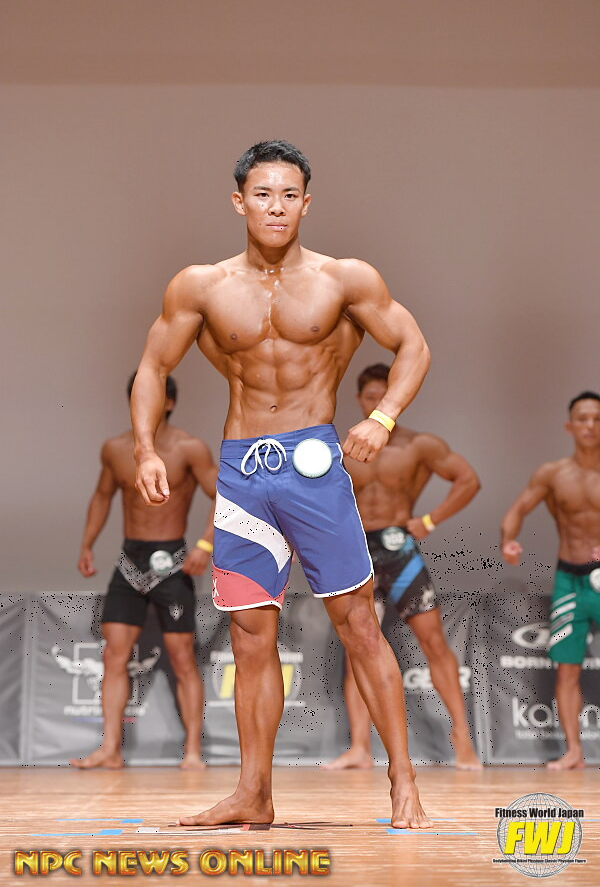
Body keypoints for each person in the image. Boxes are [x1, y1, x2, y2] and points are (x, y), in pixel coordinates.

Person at [131, 139, 432, 828]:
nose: (276, 206)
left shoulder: (344, 279)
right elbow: (152, 367)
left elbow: (413, 346)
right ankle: (254, 794)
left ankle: (403, 780)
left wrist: (382, 417)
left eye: (289, 194)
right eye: (263, 194)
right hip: (243, 473)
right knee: (248, 638)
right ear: (239, 201)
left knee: (358, 623)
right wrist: (147, 448)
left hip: (313, 467)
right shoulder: (201, 286)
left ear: (306, 202)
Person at [326, 363, 481, 771]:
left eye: (384, 396)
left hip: (400, 550)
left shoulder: (419, 445)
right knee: (358, 647)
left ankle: (463, 741)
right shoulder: (343, 450)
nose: (376, 403)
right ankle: (360, 747)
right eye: (369, 396)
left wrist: (430, 519)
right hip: (358, 552)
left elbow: (467, 479)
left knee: (433, 642)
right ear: (359, 399)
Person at [72, 373, 217, 770]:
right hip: (129, 559)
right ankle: (110, 749)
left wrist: (205, 544)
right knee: (114, 655)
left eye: (151, 397)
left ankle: (192, 751)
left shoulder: (189, 448)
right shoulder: (116, 449)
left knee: (182, 658)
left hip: (173, 559)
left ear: (169, 402)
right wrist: (86, 544)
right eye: (137, 398)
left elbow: (223, 495)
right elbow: (102, 496)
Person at [501, 391, 600, 770]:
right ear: (569, 426)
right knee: (567, 667)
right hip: (569, 582)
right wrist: (508, 540)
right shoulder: (553, 474)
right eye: (583, 419)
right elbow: (518, 509)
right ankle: (573, 751)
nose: (590, 426)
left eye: (597, 419)